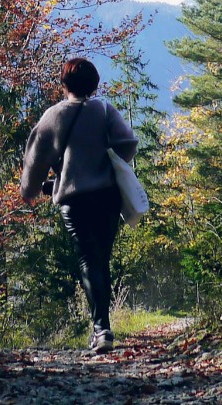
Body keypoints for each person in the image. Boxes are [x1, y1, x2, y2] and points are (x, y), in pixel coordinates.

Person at [20, 56, 139, 351]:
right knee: (101, 259)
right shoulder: (104, 109)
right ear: (94, 84)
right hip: (108, 196)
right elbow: (128, 143)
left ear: (64, 84)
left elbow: (35, 162)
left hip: (75, 201)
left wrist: (31, 191)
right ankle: (103, 329)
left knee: (89, 260)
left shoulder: (53, 116)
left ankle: (101, 331)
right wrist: (109, 163)